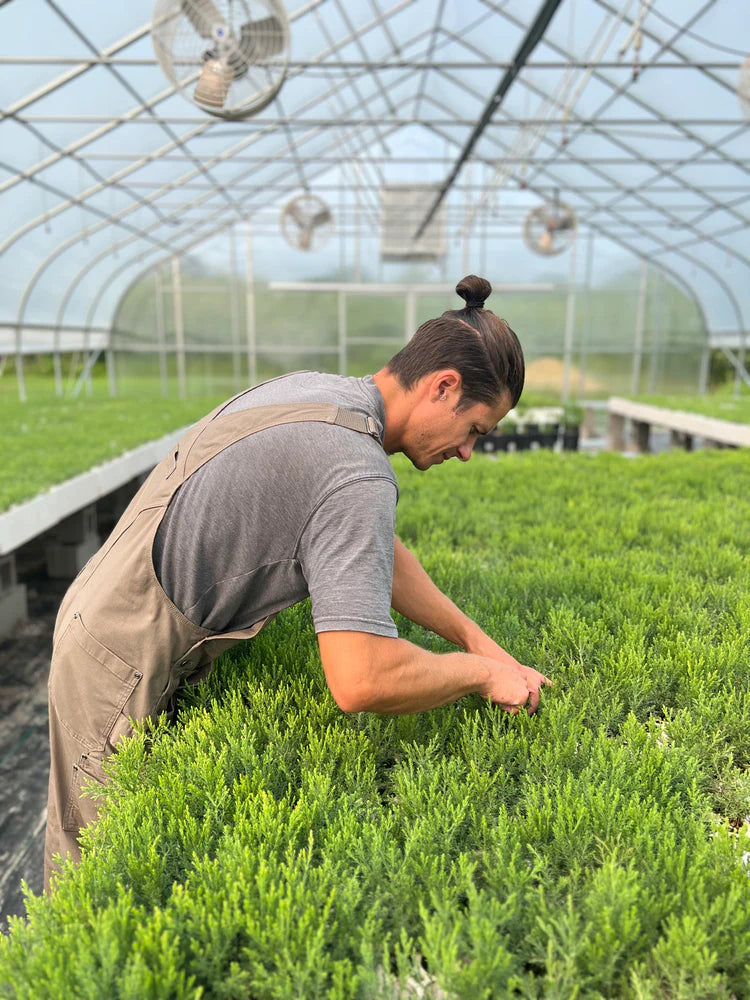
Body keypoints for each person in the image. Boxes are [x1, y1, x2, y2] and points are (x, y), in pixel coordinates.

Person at [44, 273, 550, 888]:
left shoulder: (328, 396)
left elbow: (372, 552)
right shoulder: (356, 471)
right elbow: (361, 679)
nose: (467, 452)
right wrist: (482, 675)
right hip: (117, 658)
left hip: (108, 604)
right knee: (99, 877)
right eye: (475, 430)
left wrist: (477, 640)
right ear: (444, 386)